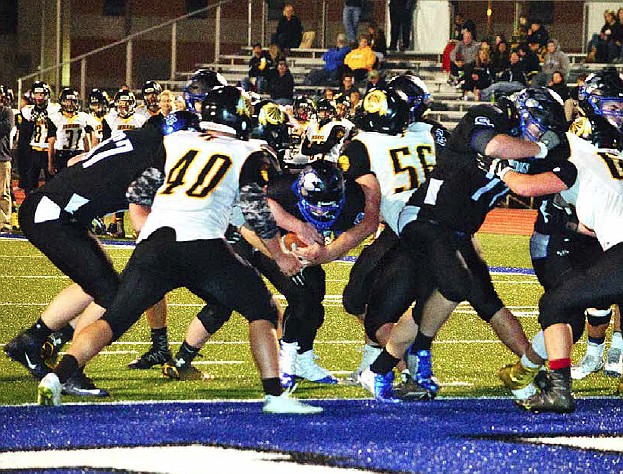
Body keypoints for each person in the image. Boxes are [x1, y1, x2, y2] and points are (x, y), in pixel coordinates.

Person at [36, 87, 322, 415]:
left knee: (113, 319)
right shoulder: (247, 152)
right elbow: (256, 211)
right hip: (204, 245)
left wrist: (144, 226)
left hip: (156, 243)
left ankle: (57, 378)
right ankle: (275, 396)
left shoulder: (176, 141)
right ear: (239, 115)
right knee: (264, 310)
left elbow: (139, 191)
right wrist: (281, 256)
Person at [359, 87, 567, 402]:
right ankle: (415, 355)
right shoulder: (487, 118)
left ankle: (531, 368)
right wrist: (539, 148)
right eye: (542, 122)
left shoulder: (530, 150)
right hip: (425, 219)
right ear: (524, 111)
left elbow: (543, 180)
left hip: (458, 234)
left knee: (485, 301)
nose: (544, 131)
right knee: (455, 285)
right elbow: (493, 145)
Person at [4, 112, 197, 396]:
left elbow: (75, 162)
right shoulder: (155, 157)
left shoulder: (134, 138)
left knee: (99, 285)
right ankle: (69, 371)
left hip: (51, 209)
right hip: (55, 215)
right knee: (110, 293)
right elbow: (139, 216)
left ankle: (31, 341)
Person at [492, 93, 623, 413]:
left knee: (555, 302)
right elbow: (591, 226)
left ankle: (558, 391)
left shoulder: (572, 156)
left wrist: (502, 170)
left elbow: (525, 187)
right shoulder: (606, 165)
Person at [102, 89, 147, 239]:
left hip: (137, 161)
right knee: (118, 193)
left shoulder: (140, 120)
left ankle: (142, 227)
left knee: (140, 195)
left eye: (127, 104)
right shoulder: (109, 120)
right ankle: (118, 225)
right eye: (121, 105)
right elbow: (105, 143)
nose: (124, 108)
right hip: (118, 161)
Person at [19, 81, 60, 194]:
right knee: (30, 185)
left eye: (41, 94)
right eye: (36, 94)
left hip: (49, 151)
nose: (39, 97)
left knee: (51, 184)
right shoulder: (28, 111)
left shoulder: (55, 110)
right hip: (34, 151)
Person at [0, 85, 13, 234]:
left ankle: (4, 224)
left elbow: (5, 128)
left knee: (3, 193)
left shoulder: (7, 112)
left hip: (2, 157)